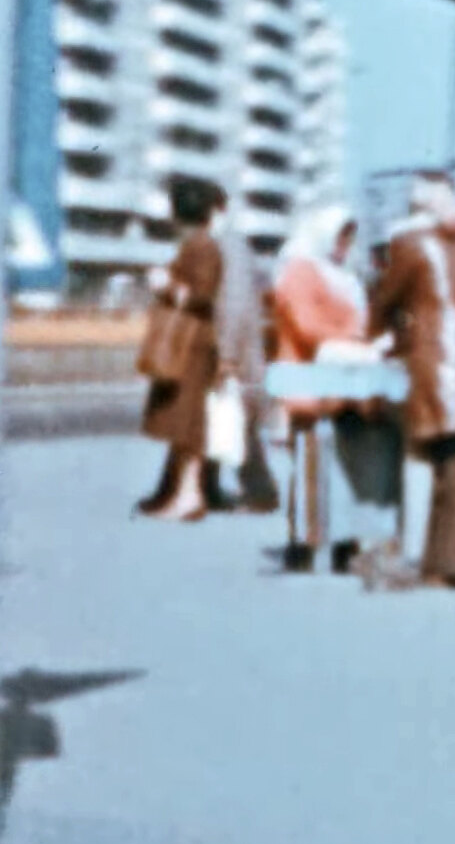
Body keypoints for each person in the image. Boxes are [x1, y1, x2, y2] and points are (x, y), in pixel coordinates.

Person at [368, 173, 455, 591]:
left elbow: (386, 300)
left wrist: (371, 336)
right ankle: (445, 560)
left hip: (438, 361)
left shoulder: (409, 244)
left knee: (451, 463)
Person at [270, 204, 402, 577]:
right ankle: (304, 543)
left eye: (349, 237)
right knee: (310, 461)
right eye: (340, 235)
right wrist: (356, 336)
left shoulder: (345, 277)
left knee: (348, 461)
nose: (344, 244)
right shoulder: (300, 269)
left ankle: (345, 543)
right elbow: (305, 324)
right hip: (309, 378)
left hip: (346, 381)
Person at [137, 176, 225, 524]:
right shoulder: (201, 243)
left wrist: (167, 285)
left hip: (191, 345)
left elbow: (202, 294)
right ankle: (174, 491)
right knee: (182, 421)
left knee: (188, 423)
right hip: (194, 343)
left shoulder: (201, 246)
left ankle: (189, 497)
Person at [208, 198, 279, 516]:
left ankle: (261, 492)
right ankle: (208, 488)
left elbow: (235, 304)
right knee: (219, 416)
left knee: (237, 420)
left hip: (237, 352)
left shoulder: (229, 245)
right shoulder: (224, 243)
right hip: (232, 348)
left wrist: (227, 354)